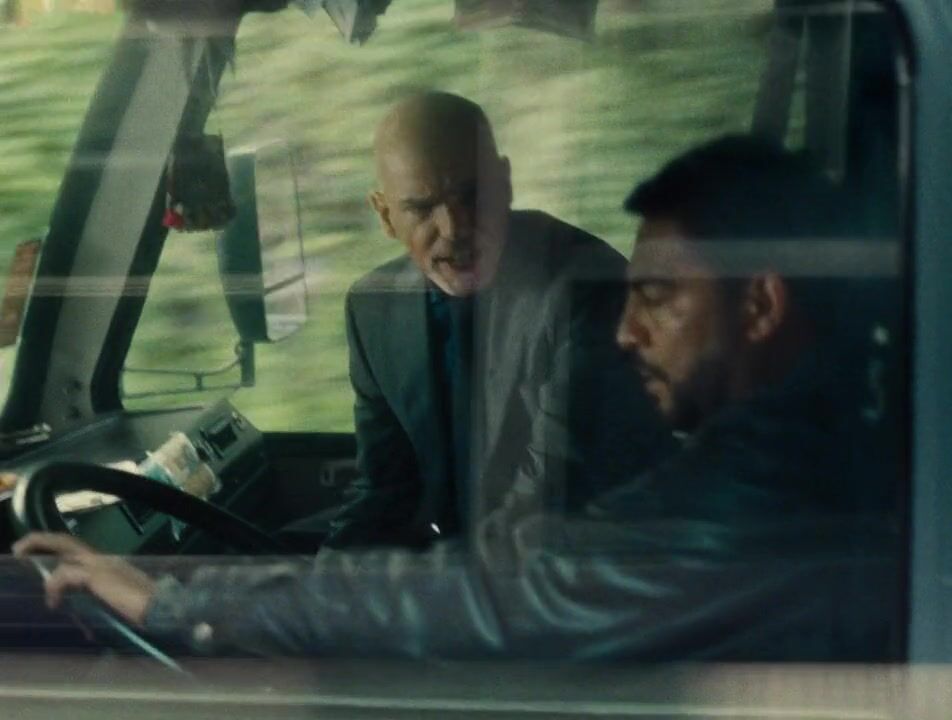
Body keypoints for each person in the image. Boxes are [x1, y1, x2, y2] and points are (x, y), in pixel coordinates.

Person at [15, 135, 899, 661]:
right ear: (385, 214)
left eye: (658, 298)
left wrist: (176, 605)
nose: (628, 334)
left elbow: (510, 588)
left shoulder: (753, 491)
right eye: (422, 207)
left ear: (760, 305)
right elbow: (398, 503)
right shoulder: (794, 448)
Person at [326, 91, 670, 549]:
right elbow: (384, 489)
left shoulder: (587, 287)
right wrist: (323, 575)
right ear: (386, 216)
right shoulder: (372, 310)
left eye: (473, 195)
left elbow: (550, 498)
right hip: (471, 565)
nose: (455, 228)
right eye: (422, 208)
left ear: (505, 184)